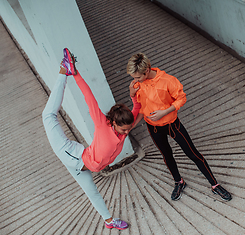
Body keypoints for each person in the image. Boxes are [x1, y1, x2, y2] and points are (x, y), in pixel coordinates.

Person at [42, 48, 140, 230]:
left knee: (92, 192)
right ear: (114, 123)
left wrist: (134, 94)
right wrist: (76, 74)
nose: (127, 132)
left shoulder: (125, 124)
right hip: (70, 155)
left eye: (128, 129)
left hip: (81, 160)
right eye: (124, 129)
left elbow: (136, 108)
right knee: (48, 116)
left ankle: (109, 222)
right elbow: (89, 97)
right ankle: (65, 70)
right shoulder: (103, 124)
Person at [127, 53, 232, 201]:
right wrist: (132, 100)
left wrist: (165, 111)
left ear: (147, 70)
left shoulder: (168, 81)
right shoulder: (138, 85)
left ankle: (215, 185)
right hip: (153, 128)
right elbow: (139, 108)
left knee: (193, 153)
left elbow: (182, 98)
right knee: (167, 155)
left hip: (172, 125)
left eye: (137, 77)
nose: (135, 80)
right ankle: (179, 182)